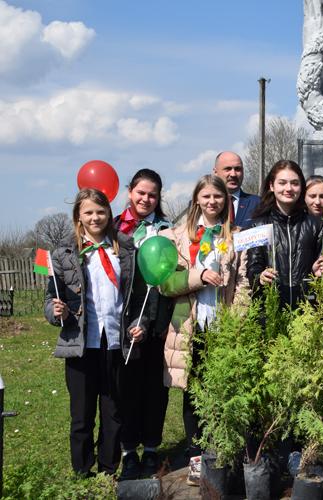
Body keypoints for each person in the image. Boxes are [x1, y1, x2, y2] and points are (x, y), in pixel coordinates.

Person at [44, 188, 146, 477]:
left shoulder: (125, 249)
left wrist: (141, 325)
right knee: (82, 412)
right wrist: (56, 312)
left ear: (109, 214)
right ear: (78, 216)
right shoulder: (64, 253)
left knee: (114, 411)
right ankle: (82, 470)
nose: (95, 217)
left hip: (116, 340)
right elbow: (49, 299)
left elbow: (138, 298)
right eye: (88, 212)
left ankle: (108, 468)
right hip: (80, 342)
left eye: (100, 211)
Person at [158, 174, 249, 486]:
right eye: (207, 196)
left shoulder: (235, 236)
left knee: (222, 390)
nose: (213, 202)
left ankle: (221, 453)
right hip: (190, 325)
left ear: (226, 200)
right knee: (193, 395)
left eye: (218, 197)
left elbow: (242, 284)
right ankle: (196, 456)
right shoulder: (178, 236)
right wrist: (199, 275)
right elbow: (166, 283)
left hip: (223, 326)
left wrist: (236, 322)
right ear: (197, 198)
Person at [114, 169, 174, 479]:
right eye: (141, 193)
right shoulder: (114, 230)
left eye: (152, 195)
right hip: (125, 324)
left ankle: (151, 447)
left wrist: (158, 323)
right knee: (127, 388)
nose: (146, 199)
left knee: (154, 390)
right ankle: (128, 450)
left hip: (157, 322)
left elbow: (170, 276)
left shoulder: (167, 230)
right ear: (129, 191)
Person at [247, 160, 323, 307]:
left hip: (306, 310)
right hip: (270, 311)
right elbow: (253, 267)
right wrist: (260, 277)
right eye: (282, 183)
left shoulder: (318, 226)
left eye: (295, 183)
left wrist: (315, 272)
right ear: (272, 186)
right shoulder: (257, 225)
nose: (289, 188)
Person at [213, 151, 260, 230]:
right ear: (215, 172)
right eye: (227, 169)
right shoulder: (203, 204)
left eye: (238, 169)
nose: (233, 174)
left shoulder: (258, 204)